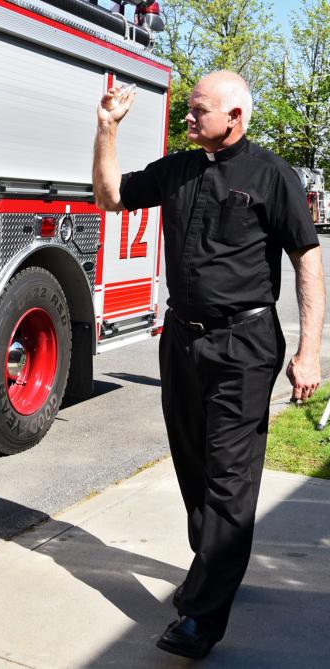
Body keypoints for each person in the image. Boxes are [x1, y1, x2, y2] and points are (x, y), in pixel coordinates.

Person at [92, 70, 325, 658]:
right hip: (182, 340)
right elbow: (110, 196)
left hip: (245, 345)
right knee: (193, 464)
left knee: (229, 479)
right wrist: (106, 130)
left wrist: (308, 352)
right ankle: (213, 568)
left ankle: (203, 617)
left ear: (235, 117)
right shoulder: (178, 169)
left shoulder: (273, 175)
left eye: (198, 111)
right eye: (189, 111)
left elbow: (307, 262)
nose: (188, 119)